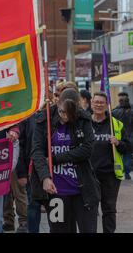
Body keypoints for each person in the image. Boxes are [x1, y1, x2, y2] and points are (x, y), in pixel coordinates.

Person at [31, 88, 100, 233]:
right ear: (57, 103)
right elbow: (37, 151)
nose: (66, 117)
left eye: (70, 113)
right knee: (59, 230)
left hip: (82, 189)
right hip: (57, 191)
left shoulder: (83, 118)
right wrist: (44, 177)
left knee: (88, 229)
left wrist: (54, 159)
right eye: (62, 112)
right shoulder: (44, 118)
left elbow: (87, 149)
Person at [91, 91, 131, 233]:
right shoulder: (85, 123)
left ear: (107, 105)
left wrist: (118, 142)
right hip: (89, 175)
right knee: (90, 210)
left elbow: (128, 147)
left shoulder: (116, 124)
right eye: (96, 102)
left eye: (102, 102)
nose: (99, 105)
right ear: (91, 103)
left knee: (109, 210)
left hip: (110, 175)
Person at [112, 92, 133, 180]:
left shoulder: (114, 111)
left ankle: (124, 172)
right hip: (127, 139)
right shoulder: (116, 111)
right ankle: (125, 172)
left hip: (121, 139)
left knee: (122, 157)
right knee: (127, 157)